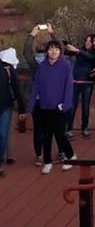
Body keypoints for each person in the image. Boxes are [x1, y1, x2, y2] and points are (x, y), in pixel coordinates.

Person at [27, 40, 77, 174]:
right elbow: (36, 86)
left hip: (59, 107)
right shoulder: (42, 67)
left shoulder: (65, 66)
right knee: (46, 135)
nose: (53, 52)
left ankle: (70, 156)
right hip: (44, 106)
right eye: (50, 49)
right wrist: (30, 105)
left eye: (56, 49)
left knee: (60, 134)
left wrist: (65, 104)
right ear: (46, 51)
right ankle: (47, 162)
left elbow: (69, 86)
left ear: (60, 51)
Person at [23, 23, 57, 163]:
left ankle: (39, 155)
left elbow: (26, 52)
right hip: (51, 99)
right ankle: (47, 154)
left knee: (39, 128)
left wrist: (32, 34)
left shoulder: (34, 65)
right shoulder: (53, 63)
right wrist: (52, 33)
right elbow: (60, 48)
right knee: (51, 127)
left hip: (38, 100)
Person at [0, 48, 26, 175]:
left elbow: (16, 88)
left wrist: (22, 108)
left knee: (3, 135)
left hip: (5, 106)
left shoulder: (7, 67)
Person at [65, 35, 95, 138]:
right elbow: (66, 52)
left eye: (90, 41)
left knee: (85, 107)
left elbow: (90, 58)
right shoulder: (80, 50)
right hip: (75, 82)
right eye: (86, 40)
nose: (87, 43)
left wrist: (77, 51)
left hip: (87, 84)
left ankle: (85, 128)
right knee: (72, 106)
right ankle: (68, 129)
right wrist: (68, 47)